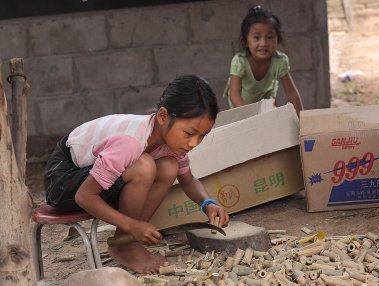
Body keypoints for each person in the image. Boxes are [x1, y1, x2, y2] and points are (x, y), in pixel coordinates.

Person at [44, 74, 230, 274]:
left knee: (169, 167)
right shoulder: (131, 141)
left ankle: (124, 241)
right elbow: (84, 196)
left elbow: (188, 181)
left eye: (202, 135)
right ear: (162, 116)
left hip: (89, 179)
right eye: (189, 133)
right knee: (144, 165)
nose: (194, 143)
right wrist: (132, 225)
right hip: (62, 181)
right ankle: (125, 244)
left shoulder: (172, 144)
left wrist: (208, 204)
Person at [222, 6, 303, 117]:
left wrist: (301, 122)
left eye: (270, 37)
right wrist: (250, 118)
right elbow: (235, 95)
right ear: (245, 41)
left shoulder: (279, 61)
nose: (264, 43)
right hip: (241, 106)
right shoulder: (239, 62)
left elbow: (291, 93)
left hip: (266, 104)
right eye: (256, 37)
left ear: (278, 39)